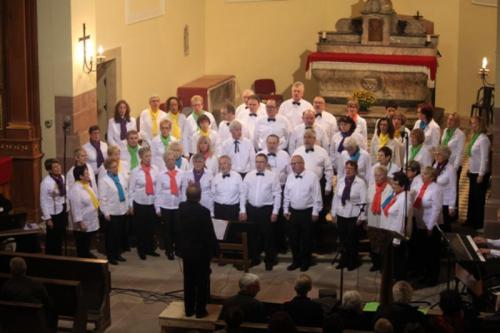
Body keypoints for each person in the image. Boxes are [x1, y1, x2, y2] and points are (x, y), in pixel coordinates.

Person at [178, 183, 220, 318]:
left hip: (187, 251)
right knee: (202, 281)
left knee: (188, 280)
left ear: (186, 195)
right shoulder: (204, 212)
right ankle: (200, 310)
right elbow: (209, 233)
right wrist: (216, 250)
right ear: (200, 196)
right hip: (201, 252)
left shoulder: (181, 207)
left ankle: (189, 309)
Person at [240, 154, 281, 270]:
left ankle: (270, 260)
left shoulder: (273, 176)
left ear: (266, 163)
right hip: (251, 209)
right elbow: (243, 193)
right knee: (252, 236)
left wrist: (275, 212)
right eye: (257, 162)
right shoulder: (249, 175)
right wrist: (242, 210)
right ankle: (254, 259)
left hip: (266, 209)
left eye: (262, 162)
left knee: (268, 236)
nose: (259, 164)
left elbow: (277, 194)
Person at [283, 155, 323, 271]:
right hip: (293, 212)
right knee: (293, 239)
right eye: (292, 164)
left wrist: (315, 212)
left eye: (295, 163)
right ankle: (296, 261)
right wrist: (285, 209)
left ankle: (305, 262)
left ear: (302, 163)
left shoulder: (312, 176)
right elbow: (286, 195)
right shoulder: (290, 177)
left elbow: (317, 195)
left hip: (307, 212)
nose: (293, 166)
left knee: (306, 239)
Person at [0, 257, 57, 331]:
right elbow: (48, 303)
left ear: (11, 270)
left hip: (12, 325)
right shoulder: (37, 284)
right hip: (35, 324)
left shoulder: (6, 286)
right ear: (25, 269)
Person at [331, 161, 367, 270]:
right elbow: (336, 198)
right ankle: (343, 260)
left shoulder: (360, 183)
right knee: (342, 239)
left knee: (352, 240)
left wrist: (362, 217)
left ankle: (352, 261)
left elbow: (364, 200)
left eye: (350, 168)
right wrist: (333, 213)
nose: (348, 170)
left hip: (354, 214)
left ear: (355, 170)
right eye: (346, 168)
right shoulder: (341, 181)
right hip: (341, 213)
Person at [379, 171, 412, 281]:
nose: (393, 186)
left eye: (395, 184)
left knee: (397, 261)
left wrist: (397, 239)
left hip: (396, 235)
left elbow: (401, 220)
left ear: (403, 186)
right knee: (390, 260)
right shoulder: (395, 194)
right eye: (392, 183)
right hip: (388, 232)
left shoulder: (404, 199)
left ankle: (398, 281)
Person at [412, 166, 443, 286]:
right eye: (422, 174)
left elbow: (436, 209)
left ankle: (432, 277)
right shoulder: (420, 186)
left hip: (431, 225)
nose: (422, 176)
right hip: (420, 223)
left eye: (425, 174)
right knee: (422, 251)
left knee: (432, 253)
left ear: (432, 176)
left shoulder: (436, 189)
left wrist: (430, 227)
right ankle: (423, 274)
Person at [128, 147, 159, 260]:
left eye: (150, 156)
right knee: (141, 228)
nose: (149, 158)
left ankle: (150, 249)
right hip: (139, 203)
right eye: (146, 156)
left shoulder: (155, 169)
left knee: (151, 227)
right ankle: (141, 250)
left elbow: (157, 187)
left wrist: (157, 204)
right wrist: (131, 205)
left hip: (151, 202)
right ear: (141, 157)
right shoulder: (135, 171)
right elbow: (131, 189)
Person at [155, 151, 186, 260]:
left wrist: (183, 205)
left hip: (177, 206)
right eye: (168, 160)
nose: (171, 161)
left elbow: (183, 190)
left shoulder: (181, 173)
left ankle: (179, 250)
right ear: (165, 161)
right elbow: (158, 192)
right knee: (167, 230)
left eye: (173, 159)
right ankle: (169, 251)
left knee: (178, 229)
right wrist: (157, 207)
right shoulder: (161, 174)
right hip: (165, 206)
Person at [99, 158, 128, 265]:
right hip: (111, 212)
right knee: (111, 235)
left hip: (121, 210)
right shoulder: (104, 180)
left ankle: (117, 253)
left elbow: (125, 191)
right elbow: (103, 198)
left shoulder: (120, 176)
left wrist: (127, 206)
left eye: (116, 166)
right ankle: (111, 256)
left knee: (119, 234)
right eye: (113, 167)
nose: (116, 168)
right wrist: (105, 212)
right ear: (108, 169)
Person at [69, 165, 100, 258]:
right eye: (86, 173)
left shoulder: (86, 185)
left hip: (90, 219)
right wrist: (80, 222)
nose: (89, 175)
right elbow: (75, 207)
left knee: (87, 244)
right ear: (80, 176)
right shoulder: (76, 189)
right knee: (82, 245)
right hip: (83, 223)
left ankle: (87, 257)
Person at [465, 115, 490, 229]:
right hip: (473, 171)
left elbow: (485, 158)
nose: (472, 125)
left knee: (479, 199)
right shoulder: (475, 137)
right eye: (471, 123)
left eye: (474, 123)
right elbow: (472, 156)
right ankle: (470, 220)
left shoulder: (483, 139)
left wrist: (481, 174)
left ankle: (478, 222)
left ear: (480, 125)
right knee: (472, 197)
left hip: (480, 173)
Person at [366, 166, 392, 272]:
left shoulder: (389, 189)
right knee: (373, 242)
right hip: (372, 219)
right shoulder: (371, 187)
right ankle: (375, 263)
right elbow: (368, 203)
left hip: (383, 220)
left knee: (382, 243)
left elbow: (387, 205)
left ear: (385, 176)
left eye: (380, 175)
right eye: (375, 175)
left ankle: (383, 265)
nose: (377, 178)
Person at [40, 158, 68, 255]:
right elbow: (43, 201)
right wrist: (48, 218)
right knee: (52, 239)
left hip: (62, 209)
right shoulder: (46, 182)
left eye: (58, 165)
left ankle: (59, 256)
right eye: (55, 167)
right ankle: (51, 257)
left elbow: (64, 194)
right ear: (50, 170)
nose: (58, 168)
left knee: (60, 236)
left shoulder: (62, 178)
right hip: (53, 213)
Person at [441, 113, 465, 219]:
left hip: (453, 165)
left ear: (456, 122)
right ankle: (443, 210)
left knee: (452, 189)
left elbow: (460, 153)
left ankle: (453, 213)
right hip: (444, 165)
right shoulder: (446, 131)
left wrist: (455, 168)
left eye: (452, 120)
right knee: (444, 187)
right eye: (448, 119)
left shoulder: (460, 134)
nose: (449, 121)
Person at [212, 155, 243, 221]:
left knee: (232, 230)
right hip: (218, 208)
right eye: (220, 164)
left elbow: (242, 194)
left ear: (230, 164)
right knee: (219, 230)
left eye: (224, 163)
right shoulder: (216, 177)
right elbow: (212, 195)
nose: (222, 166)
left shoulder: (237, 176)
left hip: (233, 209)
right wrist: (212, 211)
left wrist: (242, 210)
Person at [433, 146, 457, 232]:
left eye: (439, 155)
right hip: (436, 199)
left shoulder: (450, 169)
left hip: (445, 201)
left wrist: (452, 206)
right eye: (436, 154)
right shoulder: (435, 165)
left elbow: (453, 187)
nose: (436, 156)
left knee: (445, 225)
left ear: (445, 156)